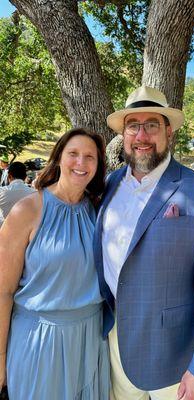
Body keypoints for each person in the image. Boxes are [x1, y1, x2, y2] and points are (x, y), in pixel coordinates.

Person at [94, 86, 194, 400]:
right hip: (114, 343)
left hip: (174, 355)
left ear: (168, 131)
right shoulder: (108, 185)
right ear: (124, 133)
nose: (141, 135)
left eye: (152, 125)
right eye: (134, 125)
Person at [0, 128, 110, 400]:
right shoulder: (27, 211)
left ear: (98, 165)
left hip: (90, 340)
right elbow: (2, 291)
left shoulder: (98, 211)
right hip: (39, 343)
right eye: (73, 154)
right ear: (59, 157)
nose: (81, 163)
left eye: (90, 157)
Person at [0, 162, 35, 227]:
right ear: (25, 177)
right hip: (27, 232)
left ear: (9, 176)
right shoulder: (35, 193)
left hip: (4, 229)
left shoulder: (2, 191)